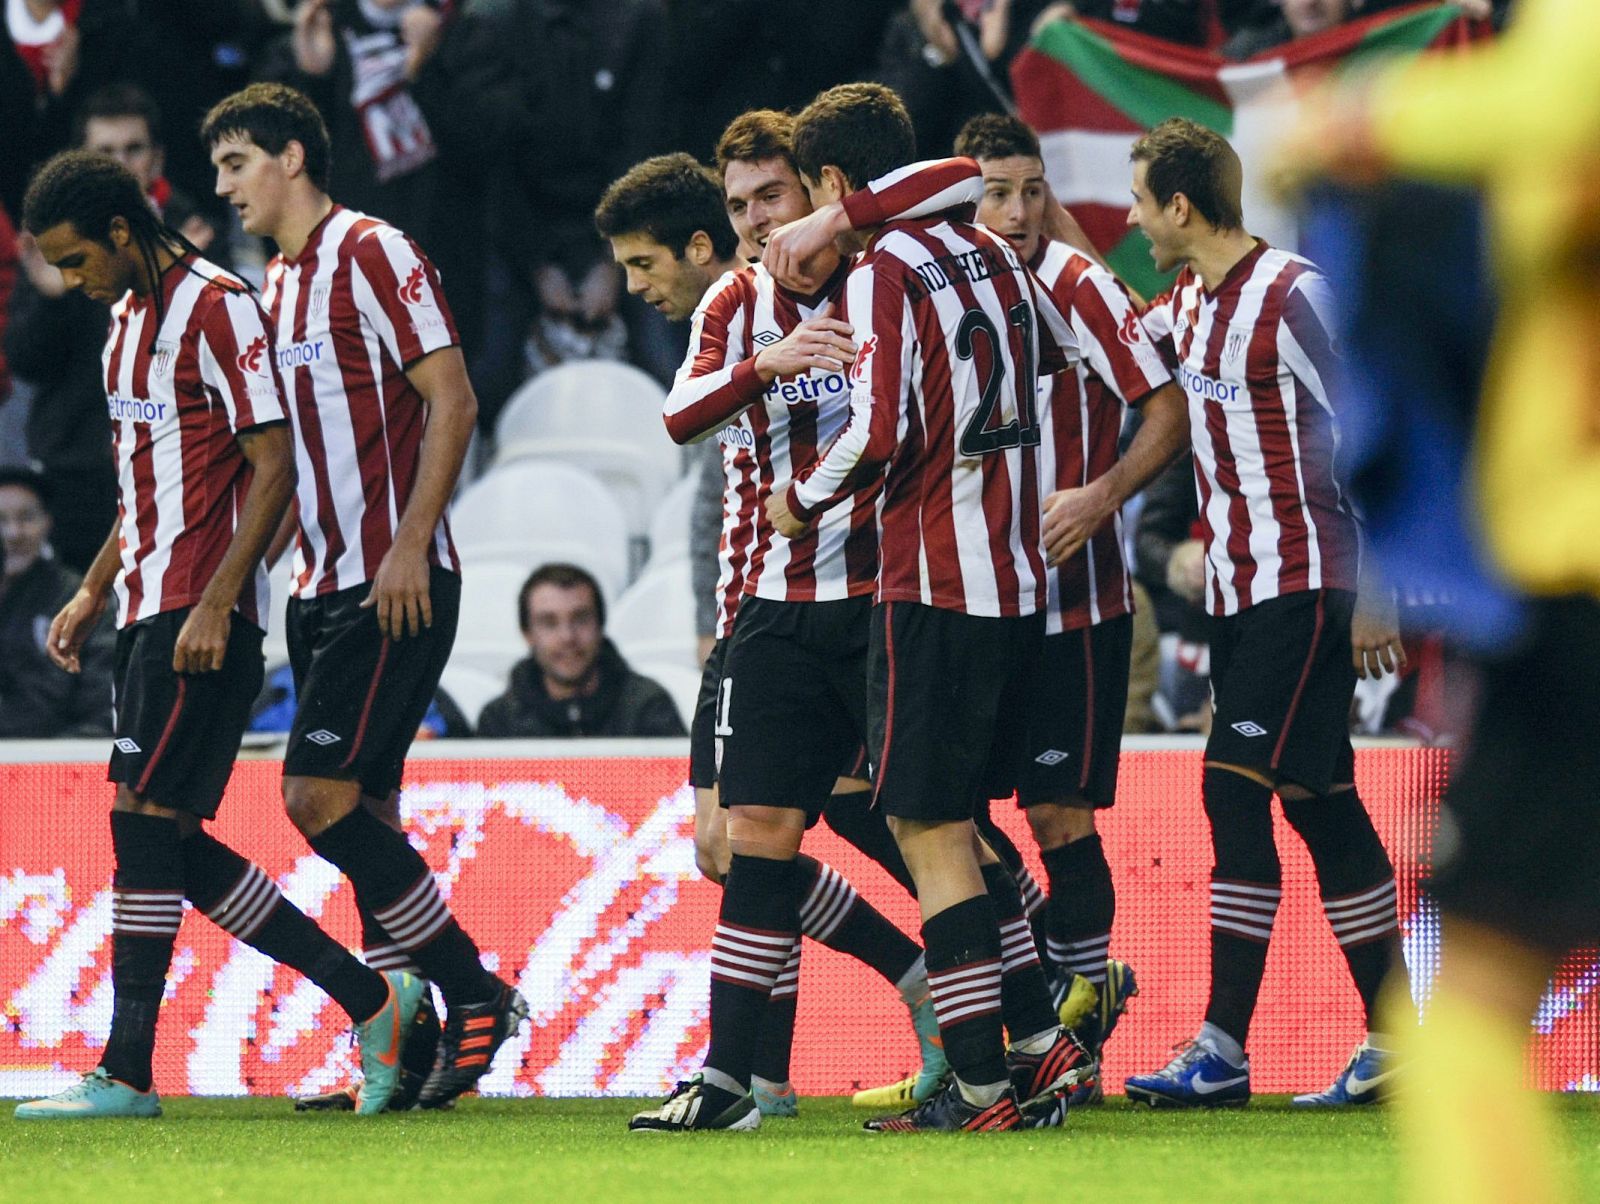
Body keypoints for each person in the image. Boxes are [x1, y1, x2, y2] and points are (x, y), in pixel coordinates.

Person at [12, 150, 423, 1120]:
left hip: (203, 616)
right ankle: (373, 998)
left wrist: (216, 598)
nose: (74, 282)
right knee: (163, 836)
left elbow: (272, 464)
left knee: (141, 827)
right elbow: (148, 485)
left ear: (121, 231)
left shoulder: (218, 303)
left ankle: (127, 1072)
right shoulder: (121, 326)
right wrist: (89, 590)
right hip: (147, 606)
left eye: (77, 261)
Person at [1273, 0, 1597, 1195]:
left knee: (1462, 1014)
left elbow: (1561, 91)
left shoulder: (1559, 63)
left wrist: (1356, 118)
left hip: (1580, 594)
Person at [625, 119, 997, 1133]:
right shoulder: (734, 303)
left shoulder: (888, 273)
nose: (753, 222)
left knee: (940, 833)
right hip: (777, 609)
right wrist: (772, 361)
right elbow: (680, 412)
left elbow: (966, 173)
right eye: (738, 204)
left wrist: (847, 215)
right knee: (756, 838)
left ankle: (1018, 1025)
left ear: (816, 193)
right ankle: (735, 1081)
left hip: (892, 602)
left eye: (771, 198)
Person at [762, 82, 1117, 1133]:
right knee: (944, 822)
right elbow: (960, 179)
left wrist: (800, 496)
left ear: (835, 183)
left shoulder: (880, 272)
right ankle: (1032, 1046)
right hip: (1009, 576)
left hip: (933, 579)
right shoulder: (987, 246)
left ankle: (982, 1082)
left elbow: (872, 433)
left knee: (921, 823)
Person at [201, 83, 524, 1112]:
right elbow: (295, 457)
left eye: (236, 162)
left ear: (293, 156)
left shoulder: (372, 251)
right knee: (368, 809)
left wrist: (410, 544)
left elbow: (455, 398)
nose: (223, 186)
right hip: (321, 583)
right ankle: (406, 1047)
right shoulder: (278, 280)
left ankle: (473, 992)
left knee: (315, 797)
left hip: (394, 578)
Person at [1114, 118, 1406, 1109]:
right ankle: (1400, 1038)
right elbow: (1102, 329)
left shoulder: (1291, 295)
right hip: (1242, 594)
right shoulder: (1189, 304)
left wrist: (1377, 590)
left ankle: (1221, 1049)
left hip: (1309, 581)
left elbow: (1372, 417)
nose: (1133, 217)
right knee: (1321, 803)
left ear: (1180, 206)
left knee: (1231, 791)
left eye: (1141, 200)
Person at [953, 111, 1191, 1099]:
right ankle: (1048, 1005)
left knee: (1058, 815)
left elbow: (1168, 406)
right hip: (966, 604)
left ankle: (1075, 1042)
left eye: (1030, 189)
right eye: (995, 193)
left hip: (1074, 605)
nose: (1016, 211)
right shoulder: (932, 288)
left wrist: (1102, 496)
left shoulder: (1078, 284)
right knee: (952, 825)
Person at [476, 562, 685, 738]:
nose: (567, 637)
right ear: (527, 633)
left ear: (600, 625)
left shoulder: (647, 707)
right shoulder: (499, 721)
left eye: (581, 619)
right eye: (549, 623)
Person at [0, 467, 113, 735]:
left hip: (56, 760)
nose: (13, 534)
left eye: (26, 518)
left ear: (47, 521)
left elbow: (104, 706)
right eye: (1, 520)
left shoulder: (79, 599)